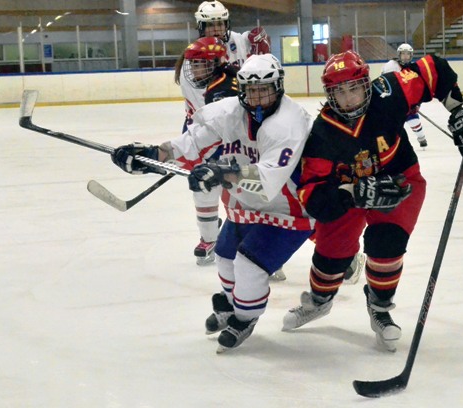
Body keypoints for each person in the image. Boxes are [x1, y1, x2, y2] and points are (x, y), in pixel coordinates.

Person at [282, 50, 463, 352]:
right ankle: (319, 301)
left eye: (354, 88)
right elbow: (311, 193)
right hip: (348, 193)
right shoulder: (322, 133)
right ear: (329, 94)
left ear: (367, 84)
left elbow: (433, 69)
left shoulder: (388, 92)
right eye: (339, 92)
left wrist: (457, 109)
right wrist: (351, 194)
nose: (349, 98)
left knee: (386, 244)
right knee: (331, 256)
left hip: (399, 181)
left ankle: (379, 307)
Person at [111, 54, 316, 353]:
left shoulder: (290, 123)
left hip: (286, 209)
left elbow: (267, 182)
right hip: (243, 206)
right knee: (224, 257)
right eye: (251, 90)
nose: (257, 97)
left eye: (265, 89)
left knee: (249, 265)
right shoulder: (229, 112)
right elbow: (192, 143)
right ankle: (232, 305)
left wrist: (221, 172)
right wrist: (155, 154)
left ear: (278, 86)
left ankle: (245, 317)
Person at [179, 0, 271, 267]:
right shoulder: (193, 60)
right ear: (200, 26)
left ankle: (256, 240)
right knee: (205, 185)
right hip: (208, 126)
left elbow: (264, 75)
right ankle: (209, 238)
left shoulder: (241, 41)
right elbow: (211, 112)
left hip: (243, 123)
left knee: (247, 186)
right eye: (210, 24)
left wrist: (264, 54)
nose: (216, 29)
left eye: (220, 23)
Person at [382, 43, 428, 149]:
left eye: (408, 54)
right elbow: (385, 82)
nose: (406, 56)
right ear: (399, 55)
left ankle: (421, 137)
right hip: (393, 100)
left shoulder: (414, 69)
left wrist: (417, 103)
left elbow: (418, 89)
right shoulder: (391, 65)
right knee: (392, 123)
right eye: (403, 54)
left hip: (407, 100)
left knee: (413, 120)